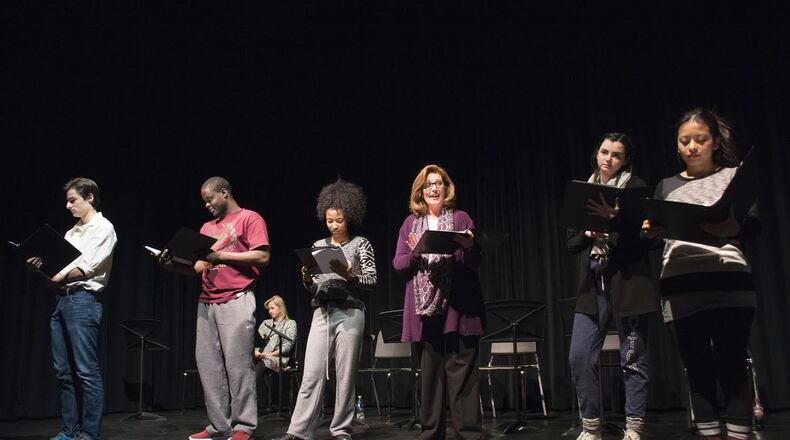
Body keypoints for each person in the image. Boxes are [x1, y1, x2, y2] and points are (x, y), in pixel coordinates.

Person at [642, 109, 759, 440]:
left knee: (732, 367)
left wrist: (735, 226)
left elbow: (753, 224)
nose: (692, 146)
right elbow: (656, 236)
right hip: (680, 287)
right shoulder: (666, 185)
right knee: (698, 372)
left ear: (714, 142)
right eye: (685, 141)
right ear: (677, 146)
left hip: (729, 283)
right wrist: (649, 231)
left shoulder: (733, 176)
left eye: (700, 139)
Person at [159, 176, 270, 440]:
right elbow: (199, 267)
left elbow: (263, 256)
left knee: (238, 365)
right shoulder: (207, 227)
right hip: (207, 301)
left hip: (237, 297)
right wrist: (169, 264)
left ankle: (243, 426)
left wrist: (219, 255)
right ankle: (220, 426)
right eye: (204, 201)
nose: (207, 205)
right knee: (208, 366)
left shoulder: (249, 218)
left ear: (224, 193)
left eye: (209, 199)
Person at [566, 134, 659, 440]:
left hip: (629, 281)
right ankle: (591, 426)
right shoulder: (584, 190)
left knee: (632, 359)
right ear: (597, 154)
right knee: (579, 355)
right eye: (604, 152)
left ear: (625, 161)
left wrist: (614, 223)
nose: (608, 159)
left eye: (616, 155)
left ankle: (634, 427)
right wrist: (590, 232)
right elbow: (571, 241)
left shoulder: (634, 188)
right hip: (593, 282)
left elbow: (647, 239)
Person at [274, 179, 377, 440]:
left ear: (349, 218)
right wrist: (308, 278)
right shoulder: (319, 245)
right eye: (330, 220)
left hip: (351, 312)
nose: (334, 225)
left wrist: (351, 276)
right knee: (311, 374)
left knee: (345, 376)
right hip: (322, 311)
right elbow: (315, 287)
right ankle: (298, 431)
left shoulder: (361, 244)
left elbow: (372, 280)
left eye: (339, 220)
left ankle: (341, 429)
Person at [393, 164, 483, 440]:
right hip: (424, 310)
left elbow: (474, 261)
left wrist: (469, 247)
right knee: (431, 377)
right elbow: (399, 265)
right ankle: (431, 433)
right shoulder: (410, 224)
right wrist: (416, 252)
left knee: (462, 375)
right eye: (428, 184)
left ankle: (467, 434)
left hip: (458, 306)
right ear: (420, 192)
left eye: (439, 183)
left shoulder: (461, 218)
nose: (434, 188)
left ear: (446, 188)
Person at [26, 177, 118, 440]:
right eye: (67, 201)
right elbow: (55, 276)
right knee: (63, 372)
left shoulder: (103, 228)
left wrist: (55, 276)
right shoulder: (70, 233)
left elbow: (85, 269)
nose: (68, 206)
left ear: (89, 197)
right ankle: (69, 431)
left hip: (83, 301)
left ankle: (88, 434)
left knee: (86, 371)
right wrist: (39, 270)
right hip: (62, 300)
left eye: (73, 200)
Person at [255, 294, 297, 413]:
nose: (270, 311)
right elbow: (256, 341)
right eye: (269, 309)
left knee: (264, 362)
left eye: (272, 308)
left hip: (278, 358)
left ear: (280, 308)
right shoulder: (265, 323)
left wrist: (269, 354)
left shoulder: (290, 323)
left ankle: (251, 398)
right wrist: (256, 352)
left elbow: (287, 346)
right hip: (261, 355)